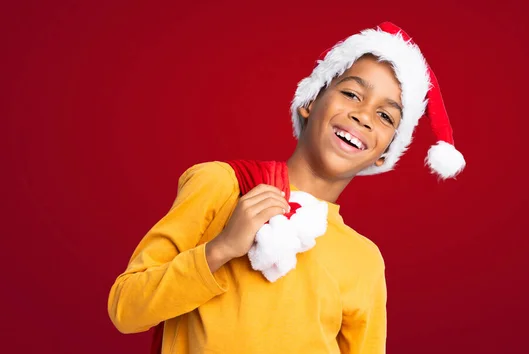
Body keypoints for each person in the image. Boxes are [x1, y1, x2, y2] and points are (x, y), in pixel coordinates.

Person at [107, 21, 465, 354]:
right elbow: (126, 309)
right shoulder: (221, 184)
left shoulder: (364, 261)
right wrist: (221, 249)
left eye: (386, 116)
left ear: (384, 155)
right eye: (352, 94)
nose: (364, 116)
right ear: (310, 101)